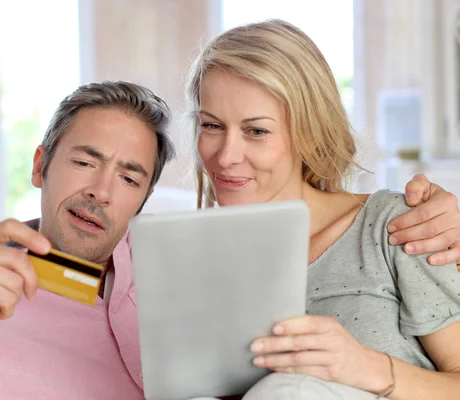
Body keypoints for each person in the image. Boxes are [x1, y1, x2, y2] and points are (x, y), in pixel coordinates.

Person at [0, 84, 458, 400]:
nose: (99, 191)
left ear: (144, 200)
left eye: (129, 177)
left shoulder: (193, 273)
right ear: (41, 164)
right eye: (84, 161)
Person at [185, 19, 460, 399]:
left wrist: (368, 367)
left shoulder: (395, 227)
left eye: (257, 131)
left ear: (309, 132)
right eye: (212, 126)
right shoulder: (193, 261)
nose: (226, 157)